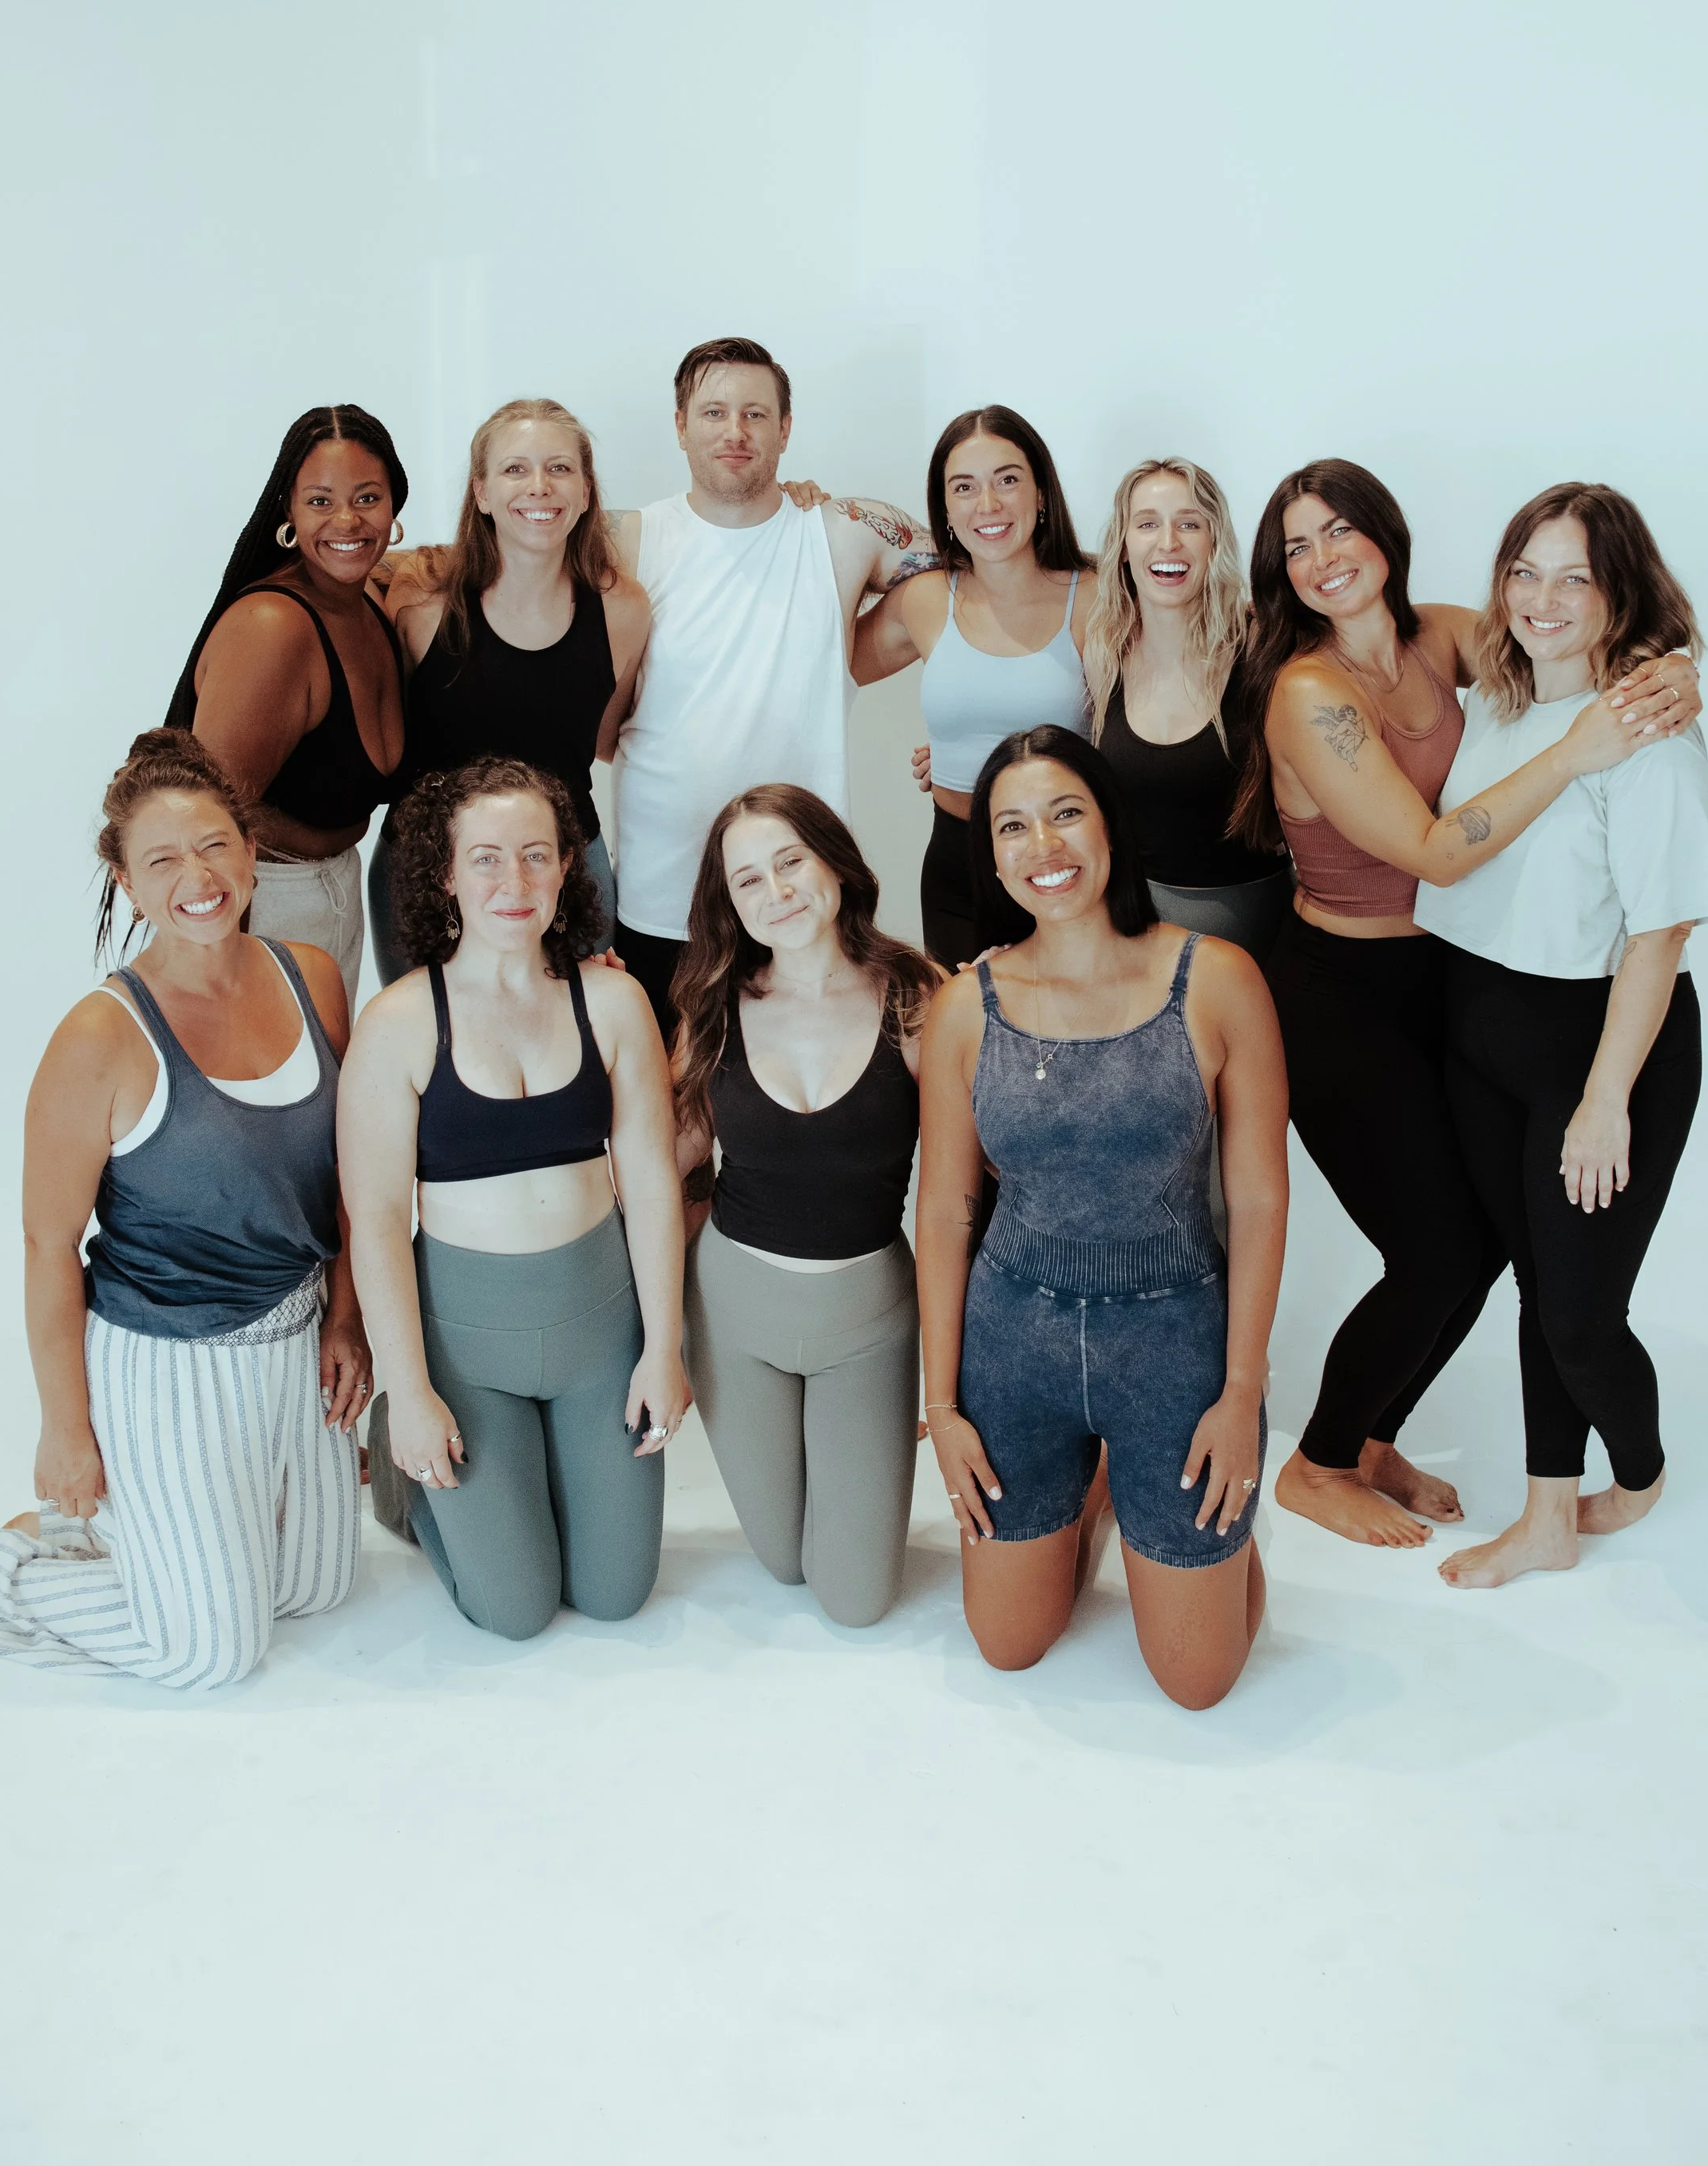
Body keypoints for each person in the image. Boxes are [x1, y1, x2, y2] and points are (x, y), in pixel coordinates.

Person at [1236, 459, 1701, 1550]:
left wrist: (1674, 673)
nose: (1325, 558)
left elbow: (1574, 635)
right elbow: (1440, 853)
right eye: (1298, 545)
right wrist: (1580, 749)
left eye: (1342, 529)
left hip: (1450, 978)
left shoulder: (1437, 638)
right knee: (1441, 1250)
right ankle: (1316, 1464)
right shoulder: (1310, 694)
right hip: (1340, 994)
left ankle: (1372, 1436)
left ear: (1386, 538)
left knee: (1487, 1241)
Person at [0, 731, 369, 1684]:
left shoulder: (314, 978)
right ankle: (7, 1564)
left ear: (252, 855)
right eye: (161, 860)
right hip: (168, 1357)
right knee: (209, 1650)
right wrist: (65, 1432)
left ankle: (136, 1534)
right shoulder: (101, 1037)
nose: (196, 877)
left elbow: (343, 1182)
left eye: (213, 847)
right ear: (127, 886)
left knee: (315, 1588)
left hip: (293, 1342)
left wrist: (346, 1318)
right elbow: (49, 1246)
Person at [916, 727, 1289, 1709]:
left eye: (1066, 812)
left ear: (1110, 825)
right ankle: (1094, 1498)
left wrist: (1241, 1395)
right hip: (1015, 1340)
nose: (1044, 845)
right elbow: (948, 1210)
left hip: (1172, 1343)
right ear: (990, 855)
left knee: (1197, 1681)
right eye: (1013, 825)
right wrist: (942, 1406)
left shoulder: (1215, 979)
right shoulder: (964, 1005)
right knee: (1008, 1647)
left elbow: (1256, 1197)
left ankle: (1168, 1514)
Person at [1417, 487, 1708, 1588]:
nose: (1543, 600)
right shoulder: (1499, 698)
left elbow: (1661, 932)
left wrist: (1605, 1100)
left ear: (1619, 596)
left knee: (1584, 1318)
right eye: (1526, 572)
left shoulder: (1650, 731)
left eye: (1575, 579)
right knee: (1538, 1290)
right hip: (1483, 1030)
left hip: (1602, 1047)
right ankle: (1548, 1516)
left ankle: (1638, 1473)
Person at [339, 757, 687, 1641]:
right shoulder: (401, 1022)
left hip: (596, 1334)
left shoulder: (612, 1000)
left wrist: (664, 1349)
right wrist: (411, 1392)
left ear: (569, 865)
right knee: (517, 1612)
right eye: (486, 858)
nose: (514, 881)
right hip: (467, 1345)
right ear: (445, 874)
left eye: (536, 854)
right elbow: (377, 1223)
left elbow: (649, 1181)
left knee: (615, 1593)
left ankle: (540, 1481)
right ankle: (399, 1471)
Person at [603, 336, 937, 1037]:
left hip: (803, 901)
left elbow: (977, 572)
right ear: (680, 424)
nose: (735, 431)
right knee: (672, 1130)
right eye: (714, 412)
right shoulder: (631, 539)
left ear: (786, 430)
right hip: (663, 901)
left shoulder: (841, 530)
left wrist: (971, 742)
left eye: (756, 415)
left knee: (797, 1130)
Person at [672, 789, 938, 1626]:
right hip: (732, 1311)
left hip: (868, 1319)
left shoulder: (920, 996)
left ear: (833, 862)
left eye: (790, 861)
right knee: (786, 1565)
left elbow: (976, 1176)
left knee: (856, 1601)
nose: (776, 891)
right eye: (748, 879)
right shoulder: (713, 1004)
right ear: (730, 903)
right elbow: (665, 1166)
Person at [367, 397, 650, 980]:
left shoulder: (622, 609)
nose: (540, 487)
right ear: (482, 493)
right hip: (425, 870)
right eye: (516, 469)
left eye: (560, 468)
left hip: (566, 869)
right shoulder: (422, 603)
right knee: (432, 1047)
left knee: (576, 1047)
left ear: (587, 491)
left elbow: (601, 738)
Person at [168, 406, 408, 1007]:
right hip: (259, 908)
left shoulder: (372, 600)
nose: (347, 520)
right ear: (289, 513)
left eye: (368, 497)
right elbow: (203, 828)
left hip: (340, 894)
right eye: (321, 502)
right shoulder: (273, 627)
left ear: (394, 506)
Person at [851, 406, 1092, 968]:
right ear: (946, 508)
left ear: (1041, 494)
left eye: (1008, 479)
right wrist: (828, 517)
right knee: (963, 1036)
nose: (988, 505)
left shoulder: (1097, 598)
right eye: (965, 487)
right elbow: (826, 666)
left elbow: (1138, 732)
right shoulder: (927, 598)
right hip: (956, 866)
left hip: (1064, 858)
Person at [1086, 457, 1293, 960]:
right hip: (1136, 931)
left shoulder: (1262, 645)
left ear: (1214, 541)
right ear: (1124, 544)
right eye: (1148, 523)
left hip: (1256, 933)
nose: (1169, 542)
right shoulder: (1102, 652)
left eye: (1189, 523)